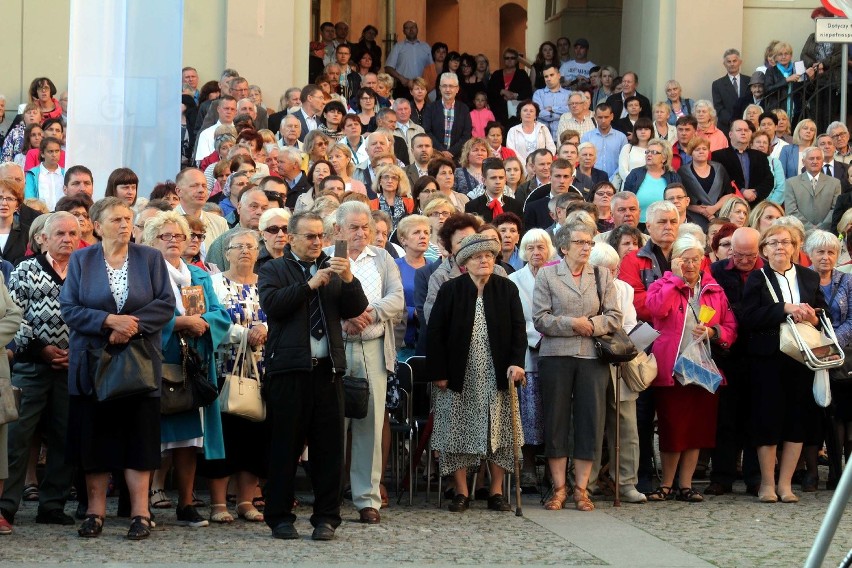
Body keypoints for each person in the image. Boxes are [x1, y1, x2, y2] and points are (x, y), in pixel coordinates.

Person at [60, 197, 175, 540]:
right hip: (93, 365)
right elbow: (70, 307)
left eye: (128, 218)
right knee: (94, 441)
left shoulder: (150, 258)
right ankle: (95, 513)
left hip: (138, 363)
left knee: (138, 440)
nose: (125, 225)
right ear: (96, 226)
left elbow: (166, 304)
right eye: (117, 219)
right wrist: (108, 320)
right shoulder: (81, 259)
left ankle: (140, 513)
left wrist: (131, 325)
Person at [258, 211, 368, 540]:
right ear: (290, 238)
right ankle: (279, 517)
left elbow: (355, 308)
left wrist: (348, 279)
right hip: (289, 371)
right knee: (284, 448)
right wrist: (309, 285)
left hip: (328, 371)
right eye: (309, 236)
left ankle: (326, 517)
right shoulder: (273, 268)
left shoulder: (334, 267)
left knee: (329, 450)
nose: (317, 242)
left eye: (321, 235)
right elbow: (272, 305)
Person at [144, 211, 230, 529]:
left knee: (188, 438)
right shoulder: (146, 273)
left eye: (179, 236)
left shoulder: (198, 275)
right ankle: (142, 504)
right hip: (155, 360)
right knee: (151, 434)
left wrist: (204, 323)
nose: (174, 241)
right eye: (165, 236)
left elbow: (220, 313)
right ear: (152, 241)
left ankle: (186, 502)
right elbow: (140, 313)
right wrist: (178, 323)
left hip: (191, 364)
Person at [427, 233, 526, 513]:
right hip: (459, 374)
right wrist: (439, 372)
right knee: (456, 430)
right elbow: (435, 333)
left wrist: (517, 363)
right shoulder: (451, 290)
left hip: (498, 374)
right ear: (465, 262)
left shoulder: (506, 289)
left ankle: (495, 492)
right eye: (477, 257)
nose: (484, 260)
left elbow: (519, 329)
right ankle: (461, 492)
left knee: (501, 432)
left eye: (489, 256)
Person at [533, 221, 622, 511]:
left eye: (589, 243)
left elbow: (614, 316)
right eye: (580, 242)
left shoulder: (602, 274)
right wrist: (573, 323)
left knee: (590, 422)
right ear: (564, 247)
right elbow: (540, 318)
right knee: (556, 421)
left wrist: (591, 326)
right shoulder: (547, 274)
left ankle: (582, 489)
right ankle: (559, 488)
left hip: (592, 357)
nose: (586, 247)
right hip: (556, 356)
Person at [643, 235, 737, 502]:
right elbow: (656, 310)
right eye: (685, 259)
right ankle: (667, 483)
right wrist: (675, 281)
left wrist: (713, 331)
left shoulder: (714, 289)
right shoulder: (662, 284)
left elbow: (730, 327)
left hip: (703, 366)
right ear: (674, 261)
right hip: (673, 367)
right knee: (673, 428)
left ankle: (686, 484)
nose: (691, 264)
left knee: (697, 428)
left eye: (696, 259)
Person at [328, 202, 403, 523]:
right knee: (332, 425)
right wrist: (344, 319)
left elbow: (397, 298)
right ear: (339, 230)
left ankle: (367, 498)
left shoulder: (383, 258)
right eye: (354, 228)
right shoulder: (328, 256)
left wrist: (366, 313)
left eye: (366, 228)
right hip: (335, 348)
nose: (361, 234)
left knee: (371, 424)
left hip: (373, 347)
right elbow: (318, 299)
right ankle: (328, 497)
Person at [740, 224, 824, 503]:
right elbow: (748, 317)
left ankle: (786, 484)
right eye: (773, 242)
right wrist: (784, 309)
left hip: (801, 358)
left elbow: (823, 318)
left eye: (786, 242)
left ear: (795, 247)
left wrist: (811, 317)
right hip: (767, 359)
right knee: (767, 420)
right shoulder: (757, 278)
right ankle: (767, 483)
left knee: (796, 421)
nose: (780, 247)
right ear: (763, 249)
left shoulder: (809, 277)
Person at [0, 213, 70, 533]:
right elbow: (16, 316)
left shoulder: (85, 268)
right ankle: (6, 506)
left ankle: (52, 504)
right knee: (17, 436)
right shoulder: (25, 270)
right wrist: (42, 347)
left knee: (64, 435)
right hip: (31, 363)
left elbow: (94, 309)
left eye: (73, 233)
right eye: (60, 233)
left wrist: (77, 349)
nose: (68, 239)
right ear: (43, 238)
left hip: (73, 366)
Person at [200, 228, 269, 525]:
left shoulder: (268, 284)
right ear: (225, 253)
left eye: (250, 246)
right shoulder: (213, 284)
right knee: (223, 435)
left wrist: (266, 330)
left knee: (254, 437)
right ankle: (218, 502)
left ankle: (245, 500)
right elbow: (208, 320)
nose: (244, 251)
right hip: (223, 369)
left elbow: (281, 318)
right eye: (237, 246)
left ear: (258, 253)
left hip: (262, 371)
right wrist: (244, 334)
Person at [585, 242, 647, 503]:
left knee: (626, 424)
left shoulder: (624, 289)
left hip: (620, 360)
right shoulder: (584, 287)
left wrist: (627, 340)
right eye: (605, 270)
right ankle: (585, 483)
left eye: (615, 270)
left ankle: (626, 482)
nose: (611, 275)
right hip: (591, 359)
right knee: (589, 423)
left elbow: (630, 323)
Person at [802, 230, 850, 491]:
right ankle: (810, 471)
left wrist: (833, 345)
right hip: (809, 355)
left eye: (831, 252)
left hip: (842, 358)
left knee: (840, 415)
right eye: (820, 251)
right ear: (810, 254)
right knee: (812, 416)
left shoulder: (847, 280)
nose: (826, 257)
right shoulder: (802, 278)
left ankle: (837, 471)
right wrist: (819, 347)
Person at [507, 229, 553, 491]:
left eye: (541, 247)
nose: (537, 253)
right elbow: (515, 320)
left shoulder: (557, 277)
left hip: (555, 352)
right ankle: (528, 468)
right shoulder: (514, 280)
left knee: (552, 415)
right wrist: (539, 334)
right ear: (524, 251)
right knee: (528, 416)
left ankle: (552, 470)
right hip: (527, 354)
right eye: (532, 248)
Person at [712, 120, 774, 205]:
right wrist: (742, 191)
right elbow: (720, 180)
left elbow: (769, 180)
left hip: (755, 205)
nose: (743, 133)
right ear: (730, 134)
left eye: (746, 130)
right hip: (729, 205)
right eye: (739, 130)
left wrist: (755, 193)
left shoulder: (760, 156)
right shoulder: (718, 156)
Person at [678, 136, 733, 232]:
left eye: (704, 149)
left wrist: (714, 208)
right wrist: (703, 211)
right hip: (694, 219)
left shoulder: (719, 168)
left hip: (719, 216)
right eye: (697, 149)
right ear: (691, 152)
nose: (701, 151)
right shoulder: (683, 172)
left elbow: (728, 193)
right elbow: (681, 199)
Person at [395, 214, 431, 355]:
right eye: (416, 232)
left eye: (426, 233)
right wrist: (412, 312)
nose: (423, 236)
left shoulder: (435, 267)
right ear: (403, 240)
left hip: (429, 339)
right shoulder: (393, 266)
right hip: (402, 340)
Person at [622, 139, 680, 224]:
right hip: (637, 224)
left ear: (664, 158)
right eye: (647, 152)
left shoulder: (673, 177)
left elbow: (678, 202)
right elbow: (625, 198)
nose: (649, 155)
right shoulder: (635, 174)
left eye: (654, 152)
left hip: (664, 224)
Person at [785, 146, 841, 232]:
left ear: (822, 162)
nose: (815, 161)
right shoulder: (791, 183)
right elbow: (791, 210)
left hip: (826, 233)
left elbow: (836, 209)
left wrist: (821, 227)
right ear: (803, 162)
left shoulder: (835, 183)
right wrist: (809, 228)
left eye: (818, 158)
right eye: (811, 158)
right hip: (800, 232)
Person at [423, 73, 473, 160]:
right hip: (434, 156)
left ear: (457, 89)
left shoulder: (464, 109)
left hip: (457, 158)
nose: (448, 89)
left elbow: (466, 134)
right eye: (444, 86)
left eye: (451, 86)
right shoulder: (430, 108)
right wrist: (441, 151)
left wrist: (451, 152)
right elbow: (427, 131)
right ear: (439, 88)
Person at [464, 158, 523, 223]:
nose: (498, 182)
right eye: (493, 178)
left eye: (501, 178)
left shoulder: (516, 206)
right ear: (484, 180)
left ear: (505, 179)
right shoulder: (472, 207)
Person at [384, 21, 432, 99]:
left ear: (417, 29)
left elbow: (431, 68)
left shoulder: (426, 47)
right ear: (403, 31)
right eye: (407, 28)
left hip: (422, 87)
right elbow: (388, 68)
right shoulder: (398, 47)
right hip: (403, 88)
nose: (411, 30)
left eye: (413, 27)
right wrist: (401, 78)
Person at [487, 48, 533, 129]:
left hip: (516, 112)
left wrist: (515, 95)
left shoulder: (522, 74)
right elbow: (490, 90)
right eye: (507, 58)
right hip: (498, 112)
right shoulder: (496, 74)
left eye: (512, 58)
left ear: (516, 60)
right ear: (503, 60)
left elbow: (528, 92)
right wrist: (501, 91)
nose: (509, 60)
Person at [580, 104, 627, 178]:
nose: (603, 120)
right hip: (592, 180)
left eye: (606, 117)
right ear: (595, 117)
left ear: (612, 116)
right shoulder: (587, 137)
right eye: (600, 117)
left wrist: (613, 179)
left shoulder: (621, 137)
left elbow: (624, 162)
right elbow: (582, 160)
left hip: (615, 180)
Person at [505, 100, 556, 165]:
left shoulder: (543, 128)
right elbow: (511, 151)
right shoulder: (513, 130)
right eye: (525, 110)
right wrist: (525, 165)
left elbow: (551, 147)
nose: (528, 113)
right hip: (520, 167)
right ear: (520, 114)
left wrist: (544, 162)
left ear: (535, 115)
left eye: (531, 111)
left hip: (542, 166)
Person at [711, 49, 747, 134]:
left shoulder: (749, 81)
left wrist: (744, 121)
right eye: (729, 61)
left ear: (740, 62)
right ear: (724, 64)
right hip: (726, 128)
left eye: (734, 61)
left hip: (746, 126)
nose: (732, 64)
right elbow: (719, 107)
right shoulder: (717, 84)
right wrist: (733, 122)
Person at [0, 179, 31, 266]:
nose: (4, 203)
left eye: (10, 199)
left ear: (17, 205)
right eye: (0, 197)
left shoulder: (27, 233)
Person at [616, 118, 653, 188]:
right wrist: (635, 182)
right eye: (639, 129)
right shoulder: (628, 148)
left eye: (646, 129)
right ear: (635, 131)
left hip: (649, 187)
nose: (643, 132)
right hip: (629, 186)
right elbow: (623, 171)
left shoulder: (655, 150)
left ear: (651, 131)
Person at [256, 208, 291, 272]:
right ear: (262, 234)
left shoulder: (300, 258)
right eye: (273, 229)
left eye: (285, 229)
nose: (281, 234)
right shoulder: (254, 261)